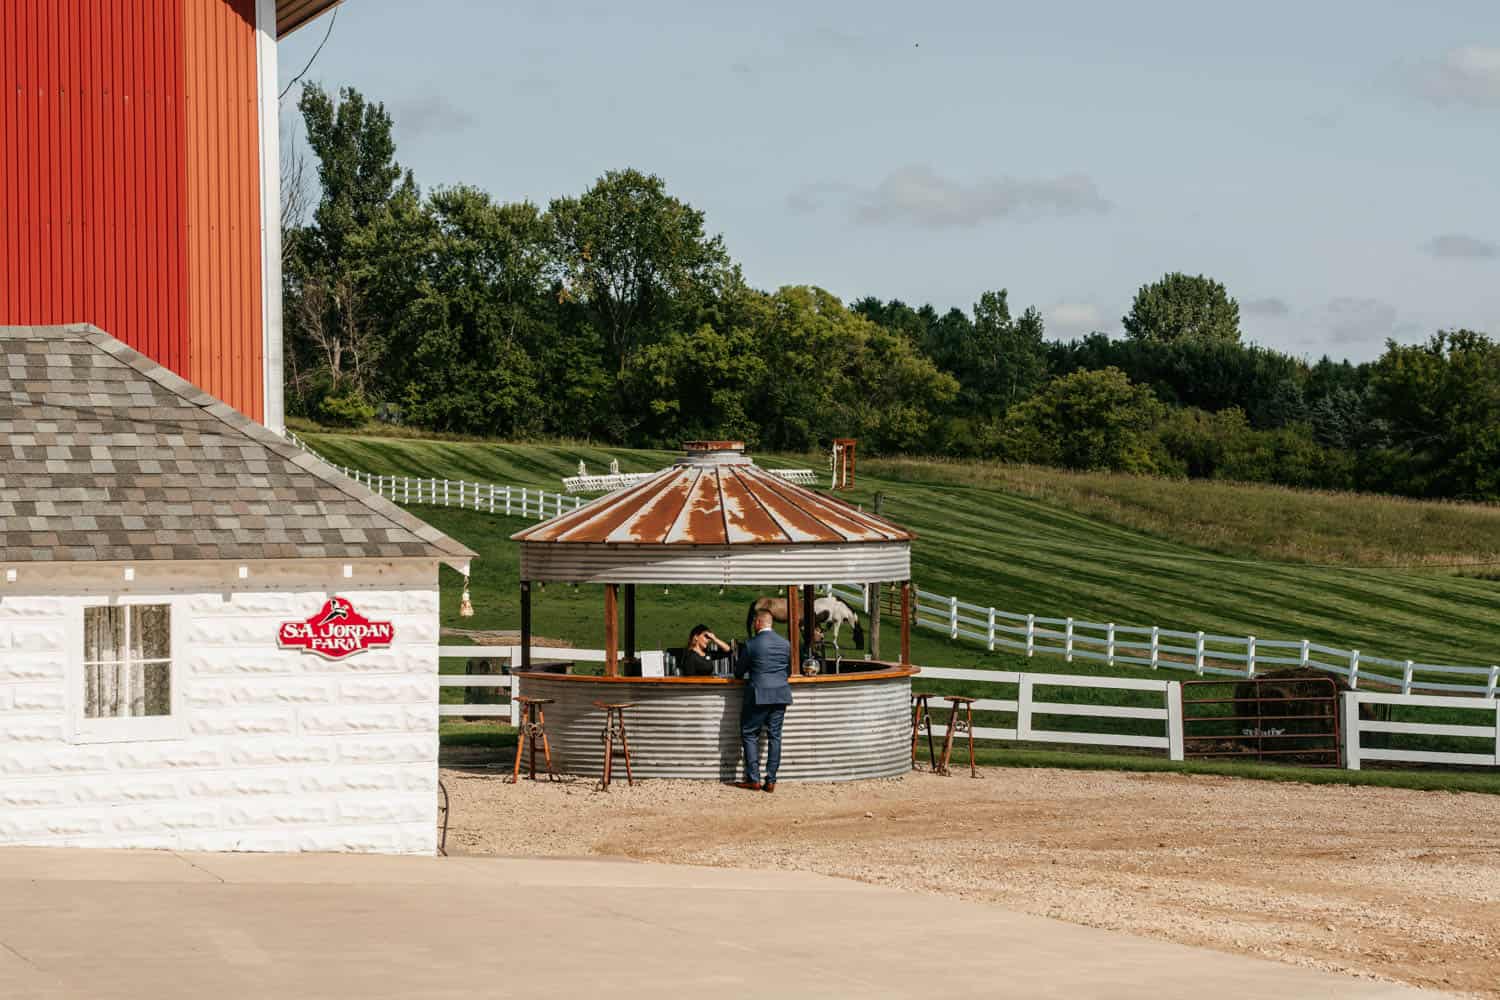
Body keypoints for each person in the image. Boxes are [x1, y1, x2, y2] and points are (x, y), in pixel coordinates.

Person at [734, 608, 792, 792]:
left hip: (758, 695)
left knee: (750, 733)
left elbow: (738, 672)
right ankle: (771, 780)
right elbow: (788, 671)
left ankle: (754, 779)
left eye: (754, 622)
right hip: (781, 694)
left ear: (758, 622)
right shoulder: (785, 644)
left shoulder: (751, 644)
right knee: (775, 736)